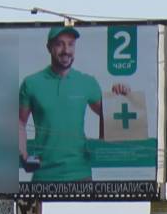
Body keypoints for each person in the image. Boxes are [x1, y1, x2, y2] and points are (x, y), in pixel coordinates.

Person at [17, 23, 111, 183]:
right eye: (59, 44)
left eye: (70, 44)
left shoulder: (87, 82)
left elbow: (109, 113)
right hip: (44, 175)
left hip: (80, 174)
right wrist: (23, 156)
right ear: (49, 47)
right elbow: (19, 122)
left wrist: (120, 95)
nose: (66, 50)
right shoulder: (31, 83)